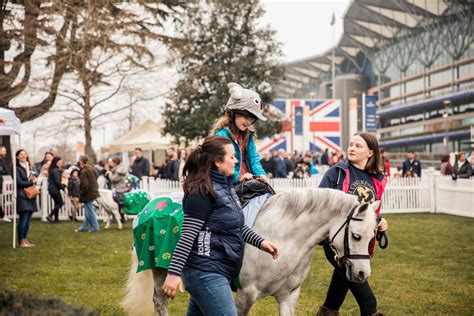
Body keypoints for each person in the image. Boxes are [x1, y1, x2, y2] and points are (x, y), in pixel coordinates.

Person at [162, 136, 280, 315]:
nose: (236, 161)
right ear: (217, 161)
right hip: (204, 270)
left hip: (216, 269)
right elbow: (187, 235)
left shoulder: (225, 188)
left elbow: (235, 225)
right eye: (232, 157)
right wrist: (173, 273)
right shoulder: (201, 191)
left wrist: (260, 242)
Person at [317, 132, 388, 316]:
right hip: (336, 245)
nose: (352, 148)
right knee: (369, 302)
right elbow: (319, 205)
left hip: (359, 244)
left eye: (358, 146)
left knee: (334, 299)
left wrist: (379, 221)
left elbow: (368, 211)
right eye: (351, 144)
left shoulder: (376, 178)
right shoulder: (337, 172)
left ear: (370, 153)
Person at [210, 82, 268, 184]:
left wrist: (261, 174)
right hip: (227, 184)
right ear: (232, 113)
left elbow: (254, 158)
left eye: (251, 119)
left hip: (248, 180)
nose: (248, 122)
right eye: (246, 117)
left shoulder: (248, 135)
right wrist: (238, 177)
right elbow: (218, 165)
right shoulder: (221, 136)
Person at [16, 149, 38, 248]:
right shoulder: (16, 168)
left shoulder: (30, 167)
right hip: (22, 195)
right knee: (23, 218)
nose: (23, 155)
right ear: (17, 157)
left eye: (25, 154)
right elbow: (19, 182)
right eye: (21, 154)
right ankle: (21, 241)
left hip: (30, 195)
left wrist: (34, 179)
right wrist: (31, 182)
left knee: (28, 219)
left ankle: (25, 239)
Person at [76, 155, 100, 232]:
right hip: (93, 191)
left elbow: (85, 185)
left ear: (81, 162)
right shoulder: (92, 170)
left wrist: (81, 192)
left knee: (90, 210)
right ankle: (84, 227)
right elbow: (95, 180)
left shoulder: (83, 171)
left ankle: (95, 227)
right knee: (88, 210)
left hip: (87, 193)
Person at [106, 157, 128, 222]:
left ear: (115, 163)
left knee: (118, 204)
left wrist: (109, 173)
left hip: (119, 189)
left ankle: (120, 218)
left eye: (112, 162)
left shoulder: (119, 171)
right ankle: (118, 218)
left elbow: (113, 179)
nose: (111, 163)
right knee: (117, 204)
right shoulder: (116, 170)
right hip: (117, 189)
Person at [46, 157, 66, 223]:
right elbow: (57, 182)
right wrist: (63, 188)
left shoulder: (52, 169)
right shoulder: (56, 171)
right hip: (54, 189)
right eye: (60, 162)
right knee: (60, 203)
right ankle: (50, 215)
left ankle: (56, 219)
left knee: (57, 203)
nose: (61, 163)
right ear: (56, 162)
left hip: (51, 189)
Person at [0, 146, 12, 222]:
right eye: (4, 151)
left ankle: (2, 215)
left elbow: (6, 171)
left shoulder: (2, 161)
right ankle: (2, 215)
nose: (5, 152)